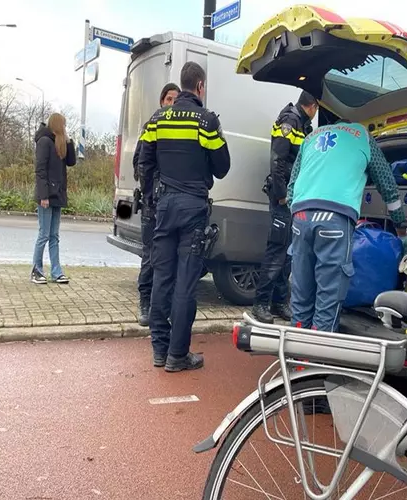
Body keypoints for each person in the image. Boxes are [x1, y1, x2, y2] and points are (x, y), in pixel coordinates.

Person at [137, 62, 231, 372]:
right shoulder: (206, 121)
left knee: (162, 278)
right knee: (185, 284)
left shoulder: (157, 119)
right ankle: (178, 355)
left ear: (182, 84)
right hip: (193, 207)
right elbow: (222, 167)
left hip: (163, 207)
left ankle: (160, 352)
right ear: (201, 86)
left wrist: (151, 198)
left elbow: (144, 162)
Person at [287, 120, 405, 332]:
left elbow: (292, 184)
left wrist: (296, 212)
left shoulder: (311, 137)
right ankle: (315, 356)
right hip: (334, 218)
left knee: (302, 289)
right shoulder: (363, 136)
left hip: (301, 216)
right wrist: (399, 223)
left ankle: (294, 351)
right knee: (329, 295)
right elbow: (387, 183)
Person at [251, 91, 318, 324]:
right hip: (284, 198)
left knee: (287, 254)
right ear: (313, 105)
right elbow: (278, 161)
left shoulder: (302, 123)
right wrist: (281, 196)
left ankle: (279, 302)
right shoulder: (290, 120)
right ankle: (260, 304)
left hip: (295, 197)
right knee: (277, 250)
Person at [133, 82, 180, 327]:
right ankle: (144, 303)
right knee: (150, 255)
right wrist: (149, 194)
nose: (171, 104)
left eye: (175, 100)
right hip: (153, 201)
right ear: (162, 101)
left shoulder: (179, 128)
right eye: (168, 99)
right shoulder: (152, 124)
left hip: (170, 201)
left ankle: (161, 306)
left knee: (167, 257)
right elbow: (139, 161)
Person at [31, 113, 76, 285]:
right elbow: (40, 170)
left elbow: (71, 162)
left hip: (58, 194)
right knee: (44, 234)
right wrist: (43, 196)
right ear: (58, 124)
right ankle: (37, 270)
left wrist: (70, 141)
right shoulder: (44, 142)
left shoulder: (60, 143)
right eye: (63, 124)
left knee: (54, 236)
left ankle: (56, 272)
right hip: (47, 195)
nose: (65, 127)